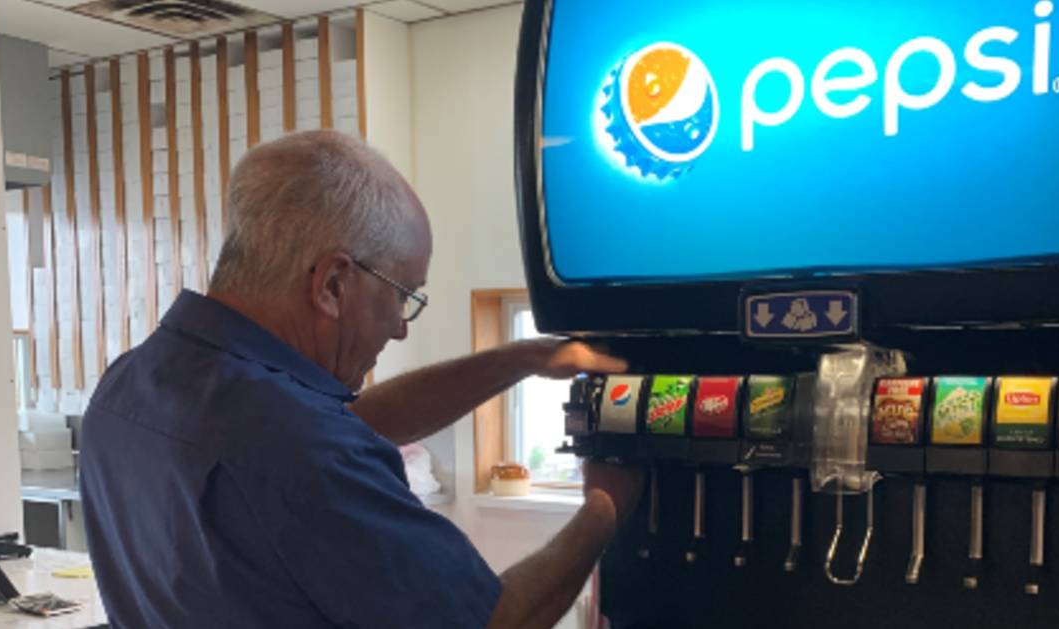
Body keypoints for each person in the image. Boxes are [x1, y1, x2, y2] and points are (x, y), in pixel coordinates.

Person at [79, 129, 643, 629]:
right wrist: (602, 508)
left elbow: (343, 426)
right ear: (331, 285)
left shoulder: (131, 383)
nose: (400, 327)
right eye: (403, 294)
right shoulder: (299, 445)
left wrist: (523, 359)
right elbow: (495, 621)